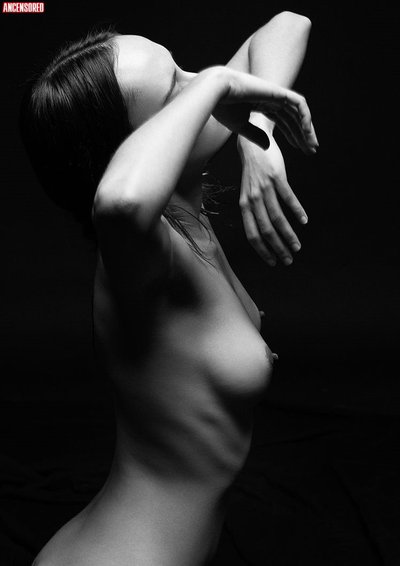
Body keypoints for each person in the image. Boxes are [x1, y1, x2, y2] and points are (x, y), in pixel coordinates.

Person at [20, 11, 318, 566]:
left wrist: (258, 133)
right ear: (135, 146)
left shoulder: (180, 191)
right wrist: (218, 84)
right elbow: (121, 201)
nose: (201, 83)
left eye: (184, 69)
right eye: (176, 92)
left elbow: (286, 25)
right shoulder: (139, 255)